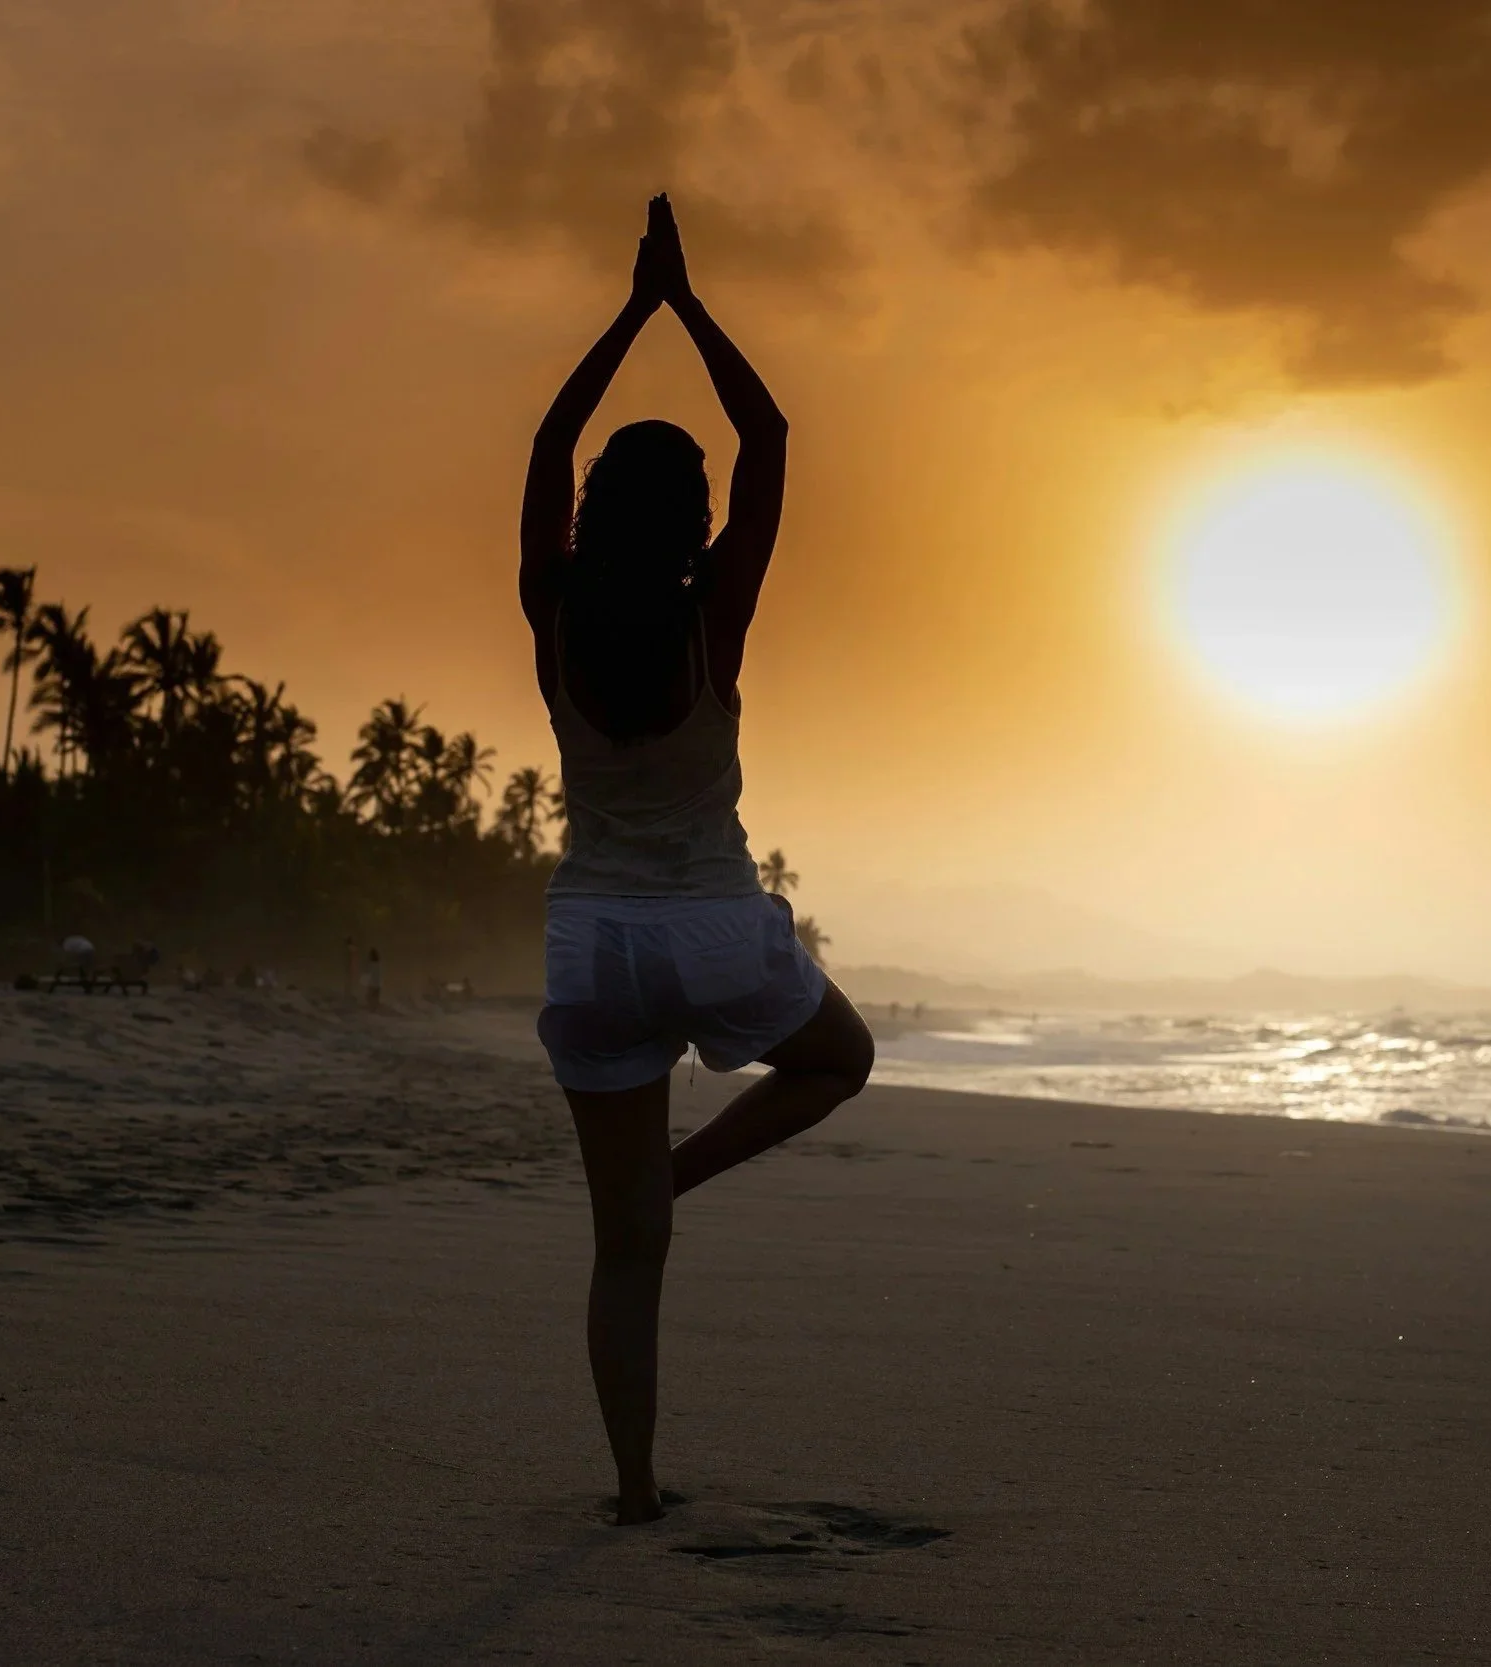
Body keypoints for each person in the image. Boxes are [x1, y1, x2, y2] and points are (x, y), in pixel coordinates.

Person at [520, 195, 874, 1526]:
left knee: (625, 1251)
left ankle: (631, 1487)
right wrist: (681, 299)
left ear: (595, 512)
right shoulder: (708, 620)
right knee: (838, 1059)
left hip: (592, 940)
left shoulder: (549, 609)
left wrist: (624, 311)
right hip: (713, 926)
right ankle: (683, 1168)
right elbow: (770, 435)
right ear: (693, 524)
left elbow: (552, 439)